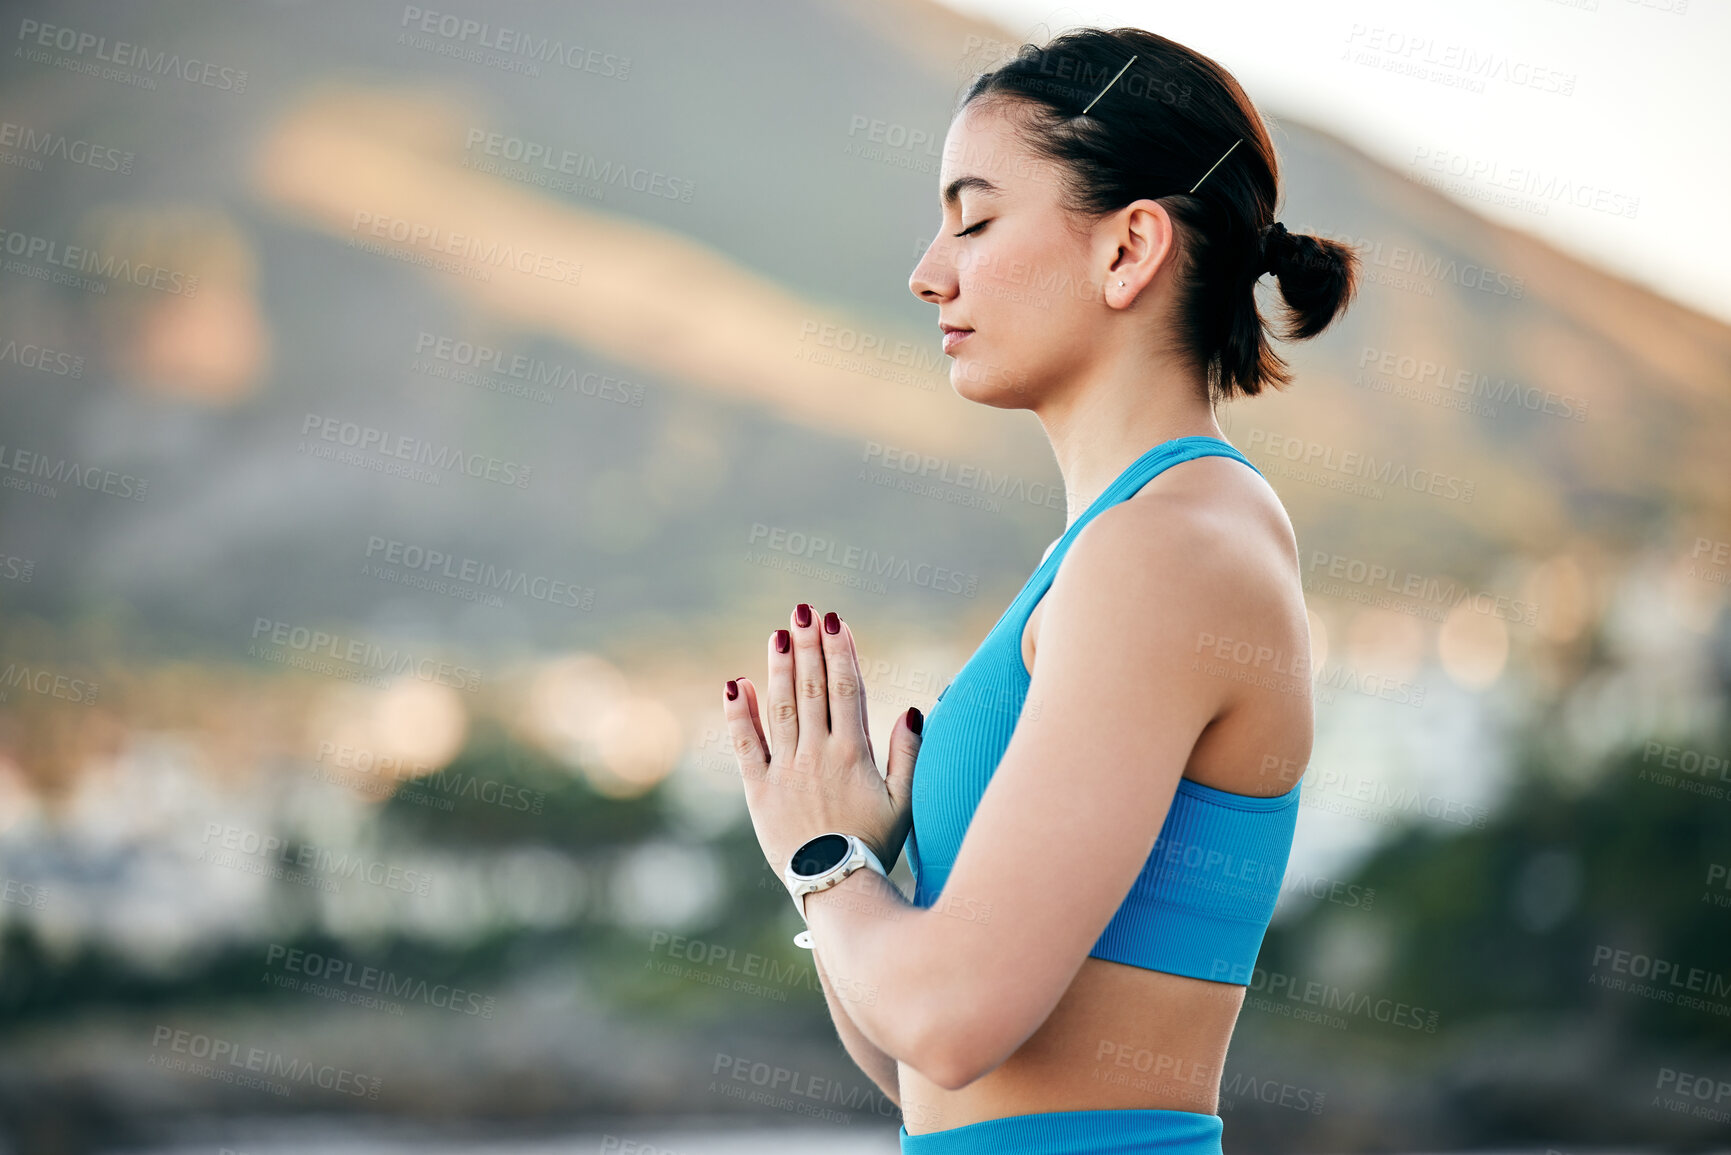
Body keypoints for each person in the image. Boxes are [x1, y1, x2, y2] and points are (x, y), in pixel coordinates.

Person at [723, 26, 1359, 1155]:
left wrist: (820, 861)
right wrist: (852, 867)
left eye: (973, 218)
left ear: (1130, 250)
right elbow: (926, 1065)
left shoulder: (1168, 551)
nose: (929, 270)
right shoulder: (1129, 545)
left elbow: (954, 1018)